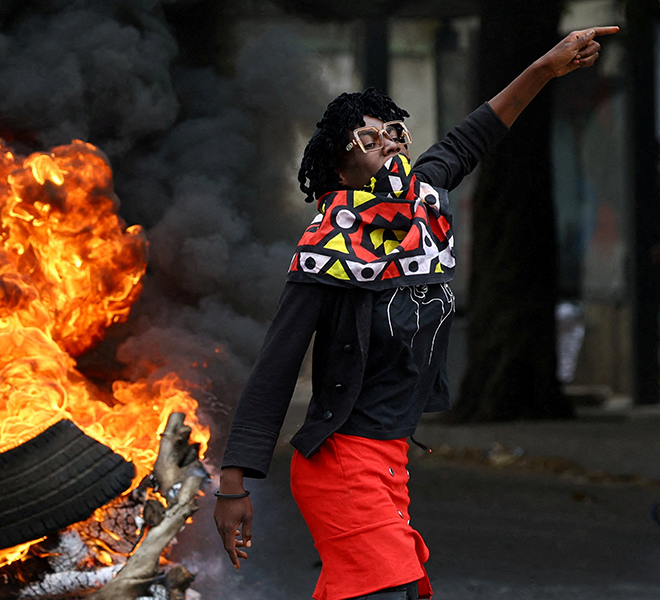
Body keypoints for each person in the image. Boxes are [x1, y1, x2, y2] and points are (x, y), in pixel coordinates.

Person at [212, 26, 619, 600]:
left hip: (391, 461)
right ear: (339, 168)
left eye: (394, 132)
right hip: (341, 464)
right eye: (369, 137)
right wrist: (234, 484)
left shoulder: (424, 201)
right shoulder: (325, 249)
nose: (391, 142)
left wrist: (547, 67)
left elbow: (478, 132)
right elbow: (275, 367)